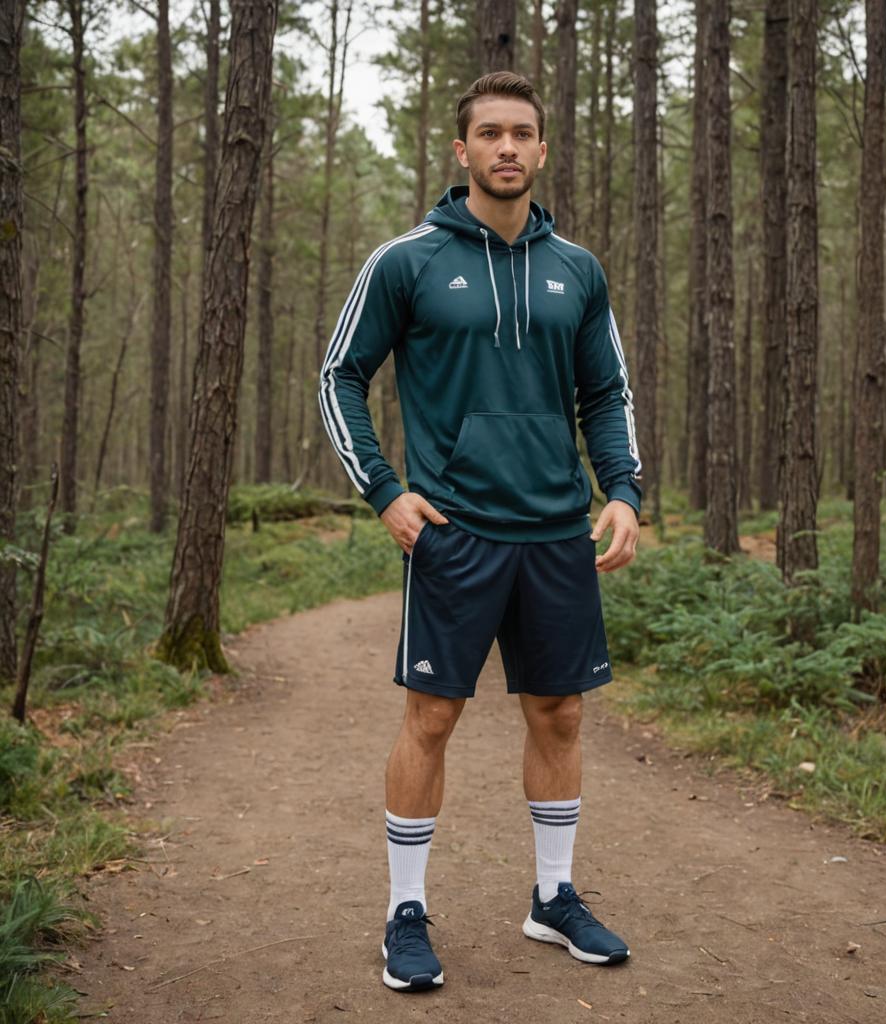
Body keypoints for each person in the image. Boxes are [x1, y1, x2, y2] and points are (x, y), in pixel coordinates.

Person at [319, 71, 642, 992]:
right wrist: (384, 491)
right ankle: (406, 912)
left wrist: (620, 489)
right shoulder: (408, 260)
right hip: (453, 533)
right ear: (460, 151)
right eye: (489, 133)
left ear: (542, 150)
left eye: (523, 133)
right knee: (432, 716)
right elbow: (341, 374)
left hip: (556, 534)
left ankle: (552, 898)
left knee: (561, 712)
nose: (507, 147)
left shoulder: (577, 269)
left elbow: (604, 392)